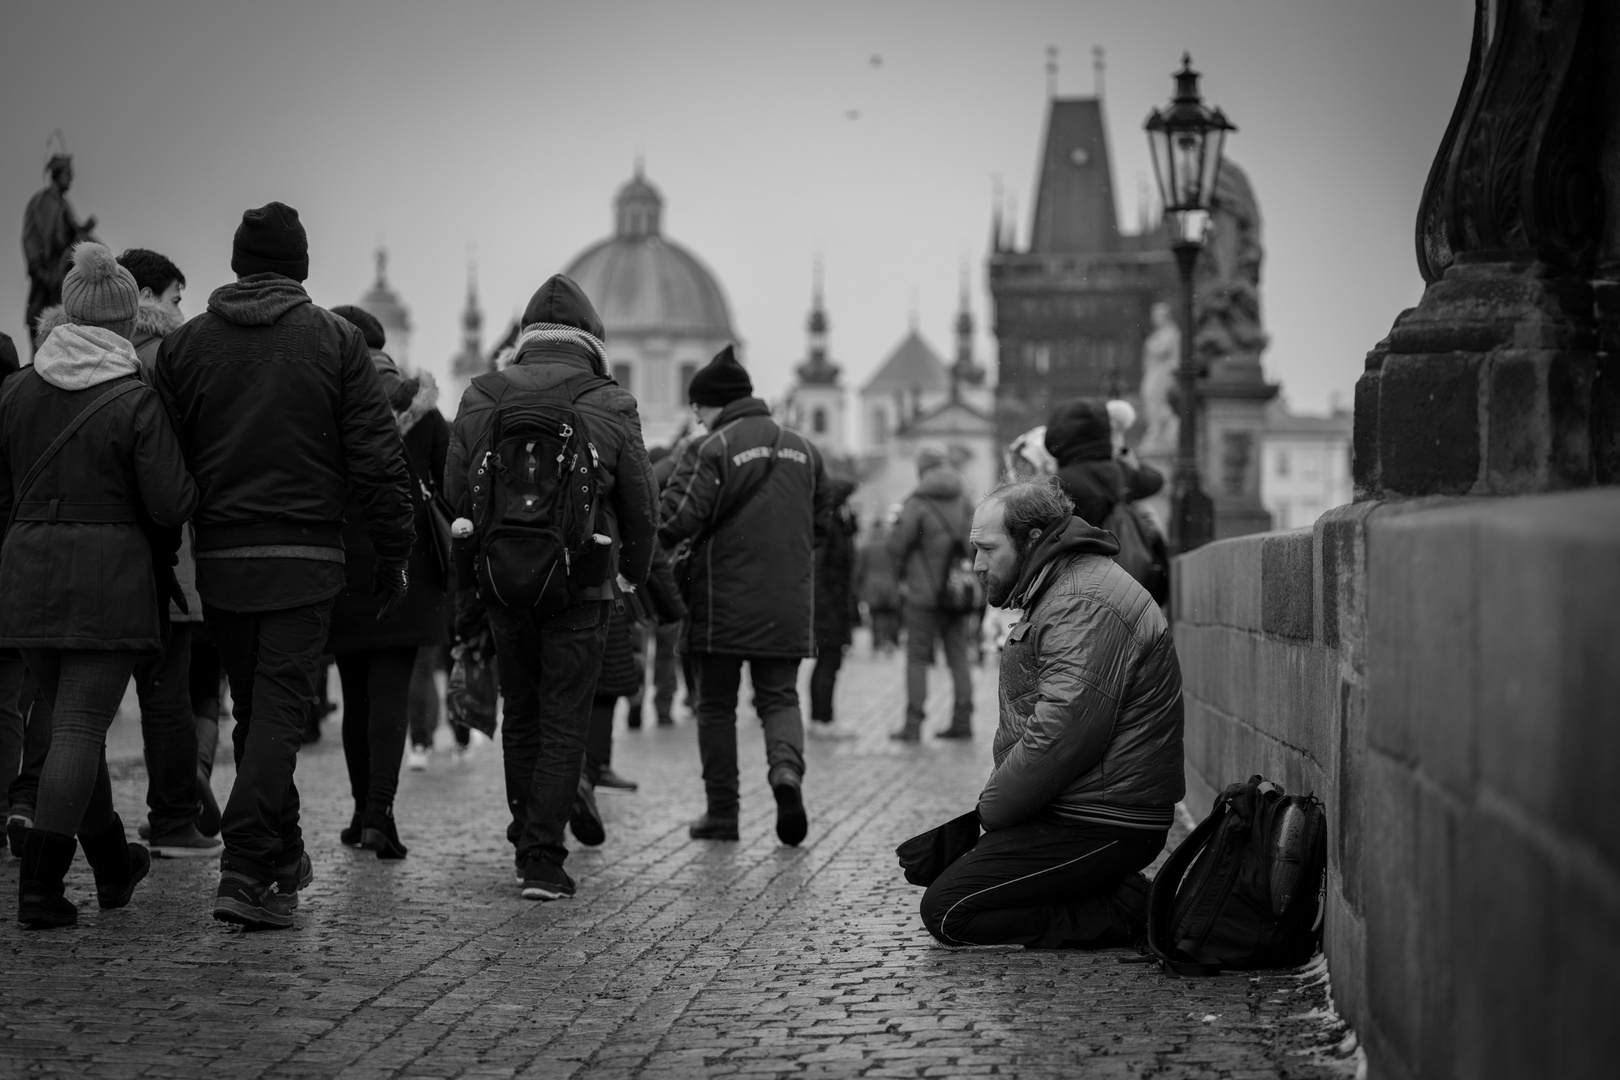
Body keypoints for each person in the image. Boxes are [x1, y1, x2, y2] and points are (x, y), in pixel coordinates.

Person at [155, 202, 415, 929]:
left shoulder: (188, 347)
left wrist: (165, 547)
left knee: (256, 709)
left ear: (239, 265)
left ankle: (283, 853)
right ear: (300, 266)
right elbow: (377, 460)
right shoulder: (333, 342)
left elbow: (161, 463)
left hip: (223, 557)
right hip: (306, 557)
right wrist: (394, 555)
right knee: (276, 710)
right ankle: (243, 868)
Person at [0, 242, 198, 928]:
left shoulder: (18, 388)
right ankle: (41, 889)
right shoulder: (133, 398)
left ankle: (113, 864)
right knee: (81, 728)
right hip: (105, 578)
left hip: (27, 572)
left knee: (62, 725)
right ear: (121, 321)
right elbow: (172, 501)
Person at [445, 273, 657, 902]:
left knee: (523, 712)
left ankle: (523, 838)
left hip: (505, 583)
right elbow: (642, 507)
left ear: (525, 339)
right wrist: (629, 574)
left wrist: (483, 565)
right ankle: (543, 856)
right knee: (566, 717)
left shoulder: (482, 392)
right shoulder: (610, 400)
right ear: (591, 340)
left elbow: (458, 493)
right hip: (584, 583)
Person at [919, 477, 1184, 949]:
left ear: (1034, 539)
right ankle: (1115, 894)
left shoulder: (1081, 600)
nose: (977, 565)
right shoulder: (1064, 585)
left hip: (1107, 820)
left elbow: (1060, 732)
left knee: (950, 911)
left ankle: (1134, 913)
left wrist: (992, 812)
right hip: (1078, 807)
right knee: (948, 873)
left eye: (987, 549)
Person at [659, 346, 829, 845]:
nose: (694, 414)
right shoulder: (806, 449)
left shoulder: (709, 448)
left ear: (716, 404)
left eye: (698, 405)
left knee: (716, 706)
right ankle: (786, 775)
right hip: (788, 602)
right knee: (779, 698)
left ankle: (723, 812)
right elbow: (820, 525)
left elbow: (675, 520)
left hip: (721, 602)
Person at [326, 305, 449, 861]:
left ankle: (359, 811)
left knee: (355, 696)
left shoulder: (330, 401)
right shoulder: (422, 414)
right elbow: (451, 492)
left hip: (344, 566)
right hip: (407, 566)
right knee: (391, 694)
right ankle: (380, 814)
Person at [886, 444, 974, 741]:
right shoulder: (964, 500)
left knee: (917, 658)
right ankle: (963, 720)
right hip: (957, 591)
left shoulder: (916, 502)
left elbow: (895, 546)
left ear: (921, 470)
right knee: (958, 656)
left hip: (922, 594)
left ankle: (913, 724)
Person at [1043, 398, 1163, 528]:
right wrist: (1128, 458)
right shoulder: (1121, 471)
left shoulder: (1061, 480)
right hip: (1117, 546)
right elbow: (1156, 480)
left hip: (1079, 547)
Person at [21, 154, 97, 348]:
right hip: (49, 274)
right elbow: (44, 237)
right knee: (44, 330)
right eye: (68, 174)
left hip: (60, 272)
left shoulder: (62, 203)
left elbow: (72, 233)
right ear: (57, 174)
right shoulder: (46, 201)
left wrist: (84, 230)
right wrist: (42, 271)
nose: (71, 178)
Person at [808, 478, 859, 739]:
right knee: (828, 661)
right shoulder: (828, 525)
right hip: (828, 605)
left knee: (830, 661)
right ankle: (821, 718)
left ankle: (823, 716)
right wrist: (823, 607)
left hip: (834, 603)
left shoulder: (837, 523)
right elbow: (818, 569)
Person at [856, 515, 902, 656]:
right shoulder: (891, 546)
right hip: (890, 583)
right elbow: (899, 566)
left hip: (872, 584)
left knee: (876, 615)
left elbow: (859, 570)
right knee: (890, 614)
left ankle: (877, 642)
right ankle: (889, 640)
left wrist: (858, 586)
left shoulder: (866, 547)